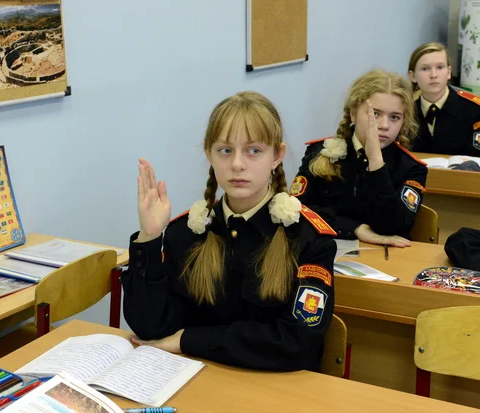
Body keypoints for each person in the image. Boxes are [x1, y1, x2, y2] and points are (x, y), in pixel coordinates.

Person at [122, 91, 337, 372]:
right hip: (197, 378)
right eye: (225, 150)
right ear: (209, 154)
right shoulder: (185, 233)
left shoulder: (308, 238)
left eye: (254, 151)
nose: (237, 164)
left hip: (275, 388)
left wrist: (189, 340)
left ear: (277, 155)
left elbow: (295, 343)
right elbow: (151, 328)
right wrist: (149, 238)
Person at [290, 69, 427, 246]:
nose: (384, 125)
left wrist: (376, 163)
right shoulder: (320, 152)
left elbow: (395, 226)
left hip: (385, 258)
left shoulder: (411, 168)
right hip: (326, 248)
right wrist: (355, 228)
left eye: (394, 117)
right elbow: (297, 209)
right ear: (353, 113)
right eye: (375, 114)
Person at [408, 42, 480, 156]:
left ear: (448, 72)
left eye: (440, 67)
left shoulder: (475, 110)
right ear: (413, 76)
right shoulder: (406, 112)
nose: (433, 75)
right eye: (425, 69)